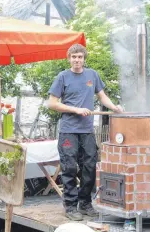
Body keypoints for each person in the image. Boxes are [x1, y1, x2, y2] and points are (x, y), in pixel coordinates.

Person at [48, 44, 123, 221]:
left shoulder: (92, 75)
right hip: (69, 131)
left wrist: (114, 107)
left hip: (87, 130)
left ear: (84, 58)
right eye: (74, 57)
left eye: (80, 57)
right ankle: (71, 206)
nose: (77, 60)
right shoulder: (63, 77)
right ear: (69, 59)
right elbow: (52, 103)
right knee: (69, 167)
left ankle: (86, 203)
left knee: (90, 166)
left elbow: (102, 96)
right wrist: (76, 110)